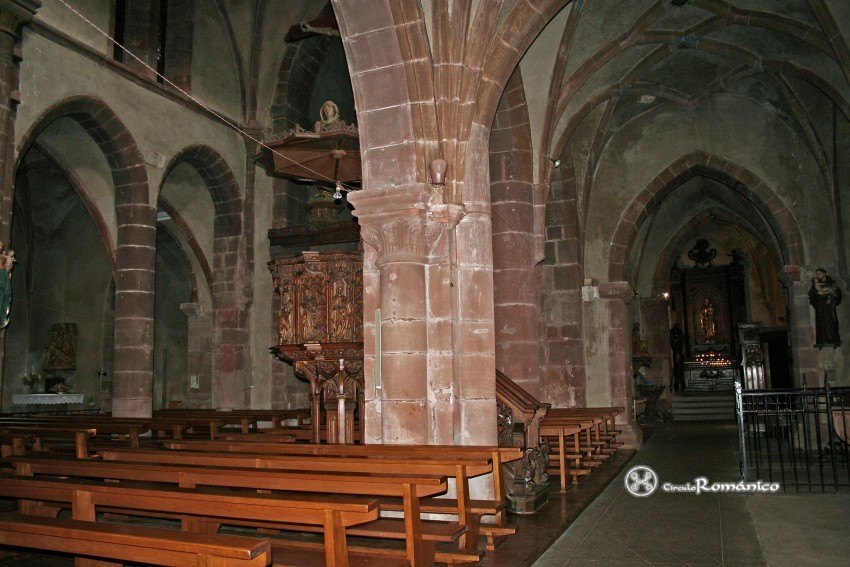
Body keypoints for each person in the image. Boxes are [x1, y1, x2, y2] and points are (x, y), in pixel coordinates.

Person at [808, 268, 842, 348]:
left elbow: (838, 294)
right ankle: (822, 340)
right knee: (821, 324)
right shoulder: (815, 284)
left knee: (832, 323)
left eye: (819, 273)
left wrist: (831, 297)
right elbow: (811, 295)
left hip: (830, 307)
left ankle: (834, 339)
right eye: (817, 274)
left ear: (824, 273)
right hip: (820, 307)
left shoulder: (831, 283)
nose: (817, 275)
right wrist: (817, 297)